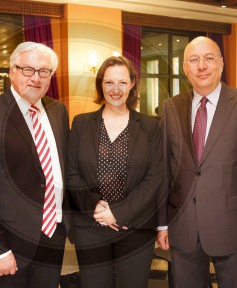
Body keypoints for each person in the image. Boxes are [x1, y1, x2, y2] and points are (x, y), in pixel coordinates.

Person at [156, 36, 237, 287]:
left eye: (209, 58)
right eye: (194, 60)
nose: (202, 66)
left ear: (221, 64)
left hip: (233, 226)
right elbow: (164, 170)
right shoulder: (170, 107)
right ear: (185, 68)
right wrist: (162, 222)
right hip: (183, 226)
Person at [0, 41, 70, 288]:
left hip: (53, 234)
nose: (36, 78)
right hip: (9, 242)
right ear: (12, 71)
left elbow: (61, 168)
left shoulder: (58, 111)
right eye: (27, 70)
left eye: (44, 71)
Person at [66, 56, 164, 288]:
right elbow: (71, 173)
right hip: (90, 227)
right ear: (101, 84)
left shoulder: (151, 126)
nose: (116, 90)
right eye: (109, 82)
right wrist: (97, 208)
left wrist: (118, 212)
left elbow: (154, 177)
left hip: (135, 228)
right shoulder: (81, 123)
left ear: (132, 84)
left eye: (122, 82)